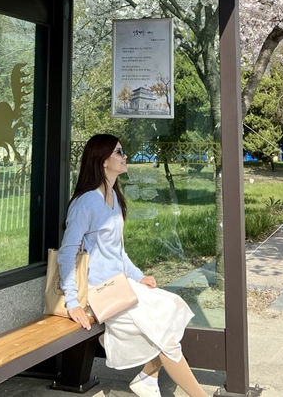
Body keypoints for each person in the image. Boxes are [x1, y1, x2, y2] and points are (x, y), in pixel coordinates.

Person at [57, 133, 207, 397]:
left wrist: (138, 276)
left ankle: (147, 378)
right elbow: (67, 253)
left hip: (122, 285)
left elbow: (118, 252)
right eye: (118, 152)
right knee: (166, 338)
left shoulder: (114, 198)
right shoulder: (85, 202)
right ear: (103, 161)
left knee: (171, 310)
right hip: (101, 292)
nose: (125, 156)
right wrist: (72, 303)